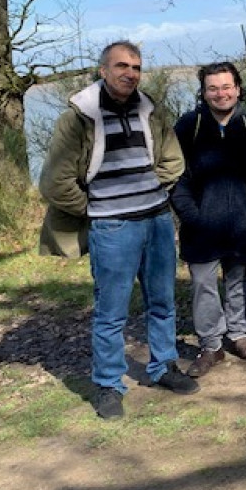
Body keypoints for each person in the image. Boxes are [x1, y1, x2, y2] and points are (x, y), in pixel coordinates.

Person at [39, 40, 198, 419]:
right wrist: (96, 209)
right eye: (122, 66)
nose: (130, 73)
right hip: (112, 228)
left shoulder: (151, 111)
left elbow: (173, 162)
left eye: (137, 67)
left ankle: (163, 367)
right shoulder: (78, 119)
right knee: (111, 312)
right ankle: (109, 384)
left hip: (157, 221)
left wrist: (149, 190)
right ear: (103, 71)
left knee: (162, 302)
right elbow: (54, 182)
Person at [171, 62, 246, 378]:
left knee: (240, 281)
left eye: (227, 87)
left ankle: (238, 335)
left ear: (238, 88)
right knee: (203, 284)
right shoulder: (188, 127)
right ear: (204, 92)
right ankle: (211, 344)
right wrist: (192, 215)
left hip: (243, 224)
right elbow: (175, 177)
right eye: (213, 88)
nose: (221, 93)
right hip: (201, 225)